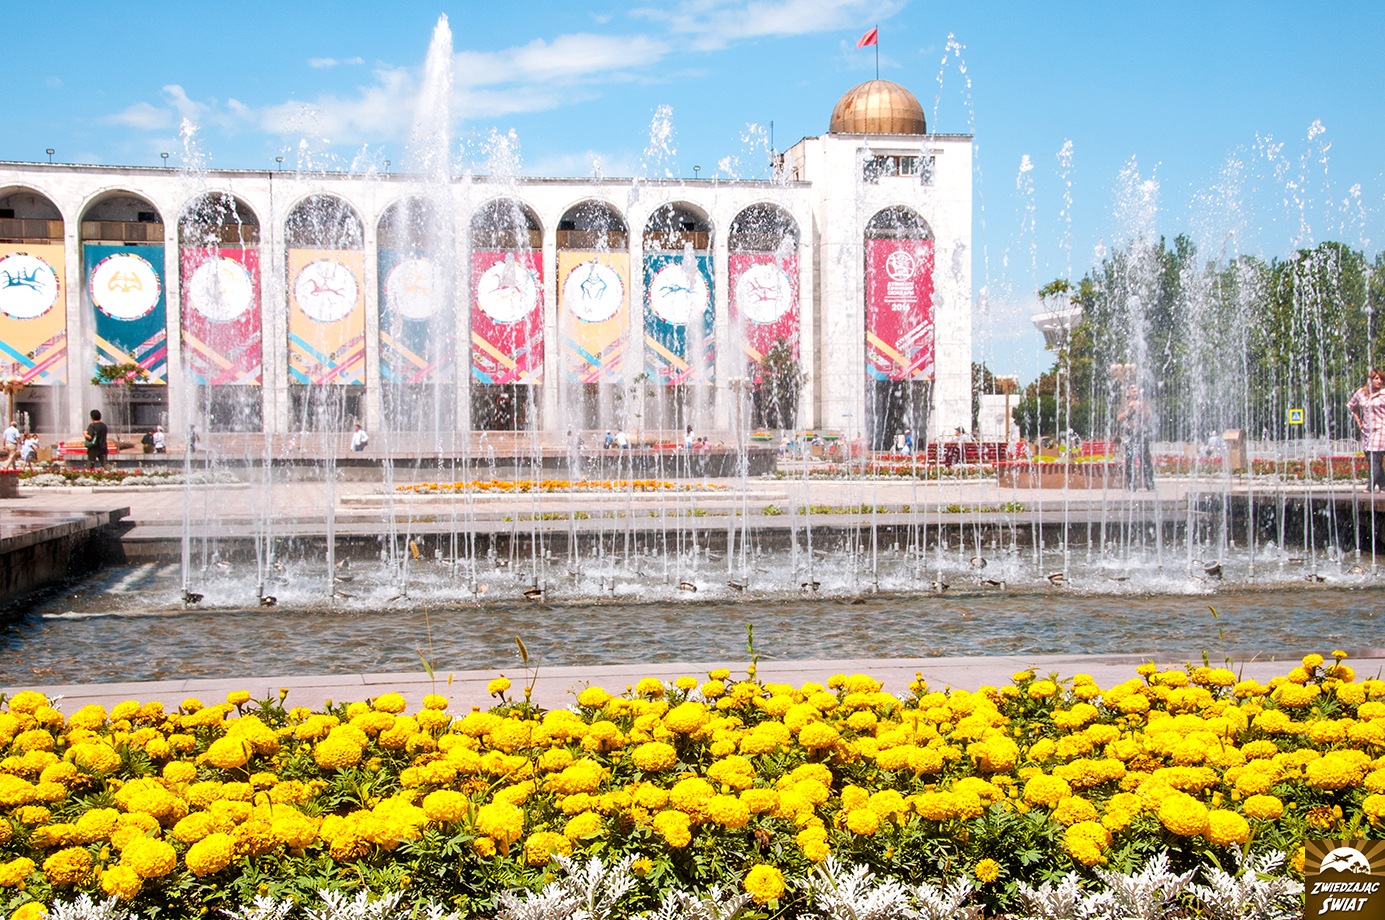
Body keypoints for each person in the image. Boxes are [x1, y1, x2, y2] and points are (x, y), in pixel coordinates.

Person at [1349, 368, 1385, 491]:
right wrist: (1359, 422)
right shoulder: (1361, 393)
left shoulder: (1383, 394)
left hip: (1381, 430)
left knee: (1375, 458)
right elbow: (1351, 406)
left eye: (1381, 379)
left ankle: (1370, 487)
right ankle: (1383, 485)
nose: (1379, 381)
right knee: (1371, 459)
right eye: (1376, 378)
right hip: (1367, 432)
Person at [1117, 384, 1155, 490]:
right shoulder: (1125, 403)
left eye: (1137, 391)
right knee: (1130, 459)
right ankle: (1131, 484)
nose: (1135, 393)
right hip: (1129, 434)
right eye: (1133, 391)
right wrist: (1129, 408)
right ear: (1129, 393)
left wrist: (1139, 408)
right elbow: (1119, 418)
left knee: (1145, 458)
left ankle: (1149, 483)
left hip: (1142, 433)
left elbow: (1150, 415)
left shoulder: (1144, 402)